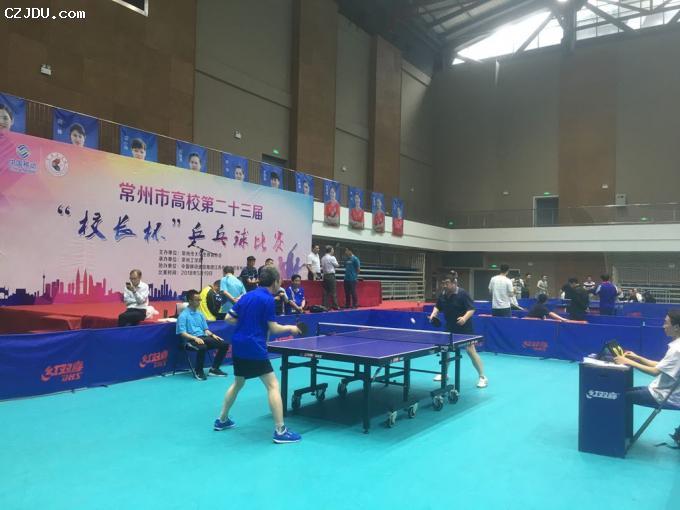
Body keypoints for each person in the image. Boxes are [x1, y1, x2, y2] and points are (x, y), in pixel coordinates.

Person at [214, 266, 303, 443]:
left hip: (238, 345)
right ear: (275, 281)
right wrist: (291, 328)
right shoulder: (268, 300)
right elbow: (274, 328)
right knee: (273, 385)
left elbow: (228, 318)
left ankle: (222, 420)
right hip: (254, 346)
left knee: (238, 382)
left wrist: (247, 322)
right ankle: (280, 430)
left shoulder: (247, 296)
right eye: (280, 280)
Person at [614, 310, 680, 415]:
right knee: (624, 391)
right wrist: (638, 357)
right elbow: (660, 365)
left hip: (664, 396)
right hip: (661, 390)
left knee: (617, 396)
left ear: (676, 327)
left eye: (666, 323)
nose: (663, 326)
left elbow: (655, 371)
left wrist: (628, 361)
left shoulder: (676, 349)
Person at [428, 274, 487, 388]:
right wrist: (433, 313)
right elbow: (438, 306)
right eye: (443, 283)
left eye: (447, 283)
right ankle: (444, 373)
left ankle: (482, 377)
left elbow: (471, 309)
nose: (444, 285)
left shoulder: (463, 294)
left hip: (464, 327)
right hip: (450, 327)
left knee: (471, 351)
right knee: (445, 350)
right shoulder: (443, 294)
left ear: (454, 283)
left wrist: (464, 318)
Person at [177, 289, 229, 380]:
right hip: (190, 340)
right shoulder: (183, 316)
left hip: (203, 337)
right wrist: (195, 338)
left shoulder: (200, 314)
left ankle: (214, 369)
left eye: (200, 300)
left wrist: (213, 335)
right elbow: (182, 333)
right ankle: (198, 371)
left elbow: (206, 330)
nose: (199, 302)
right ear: (190, 301)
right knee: (202, 347)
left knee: (224, 344)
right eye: (197, 300)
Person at [321, 245, 339, 310]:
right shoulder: (332, 257)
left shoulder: (323, 258)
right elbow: (337, 265)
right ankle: (335, 306)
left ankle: (325, 306)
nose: (333, 251)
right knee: (333, 292)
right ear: (331, 250)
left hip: (325, 276)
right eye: (333, 249)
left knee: (325, 292)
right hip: (331, 275)